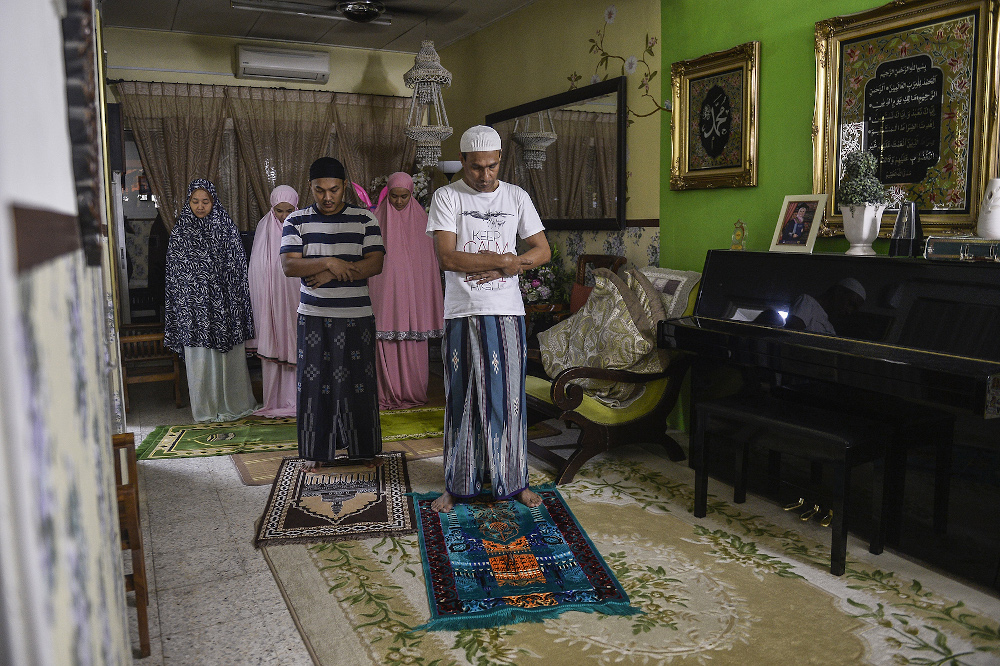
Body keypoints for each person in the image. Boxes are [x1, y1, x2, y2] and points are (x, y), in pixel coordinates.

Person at [425, 125, 552, 513]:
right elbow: (448, 257)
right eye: (477, 167)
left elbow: (542, 250)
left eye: (492, 166)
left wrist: (509, 269)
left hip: (507, 312)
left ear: (500, 160)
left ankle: (512, 482)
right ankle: (458, 485)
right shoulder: (447, 197)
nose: (485, 175)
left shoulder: (516, 196)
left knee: (508, 398)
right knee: (461, 397)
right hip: (463, 312)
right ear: (463, 161)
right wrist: (504, 260)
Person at [280, 157, 385, 467]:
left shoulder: (365, 219)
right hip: (313, 316)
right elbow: (289, 265)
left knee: (360, 385)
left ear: (344, 187)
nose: (327, 197)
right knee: (315, 386)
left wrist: (328, 273)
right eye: (320, 190)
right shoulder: (296, 221)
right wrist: (330, 262)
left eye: (334, 190)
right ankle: (318, 453)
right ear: (310, 187)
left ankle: (364, 451)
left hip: (357, 316)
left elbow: (375, 264)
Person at [163, 179, 257, 422]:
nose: (200, 206)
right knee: (201, 361)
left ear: (213, 202)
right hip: (194, 311)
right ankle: (205, 410)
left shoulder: (227, 228)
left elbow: (238, 269)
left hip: (224, 307)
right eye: (195, 201)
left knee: (229, 361)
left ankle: (235, 406)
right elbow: (174, 275)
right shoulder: (180, 232)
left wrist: (221, 292)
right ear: (188, 202)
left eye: (205, 201)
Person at [368, 172, 444, 410]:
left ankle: (412, 392)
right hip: (383, 295)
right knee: (383, 342)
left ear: (412, 195)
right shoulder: (373, 221)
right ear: (387, 193)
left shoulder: (424, 222)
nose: (399, 201)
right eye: (394, 196)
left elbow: (429, 266)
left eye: (404, 196)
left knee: (412, 342)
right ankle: (386, 393)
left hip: (413, 299)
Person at [248, 185, 300, 417]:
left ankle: (297, 399)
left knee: (297, 346)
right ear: (272, 208)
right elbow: (256, 269)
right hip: (270, 304)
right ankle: (274, 400)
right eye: (279, 210)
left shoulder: (302, 227)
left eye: (289, 210)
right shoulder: (264, 227)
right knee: (274, 345)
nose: (284, 216)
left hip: (295, 301)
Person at [785, 277, 866, 335]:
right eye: (850, 304)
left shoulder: (830, 327)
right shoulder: (808, 302)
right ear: (838, 292)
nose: (849, 311)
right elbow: (792, 333)